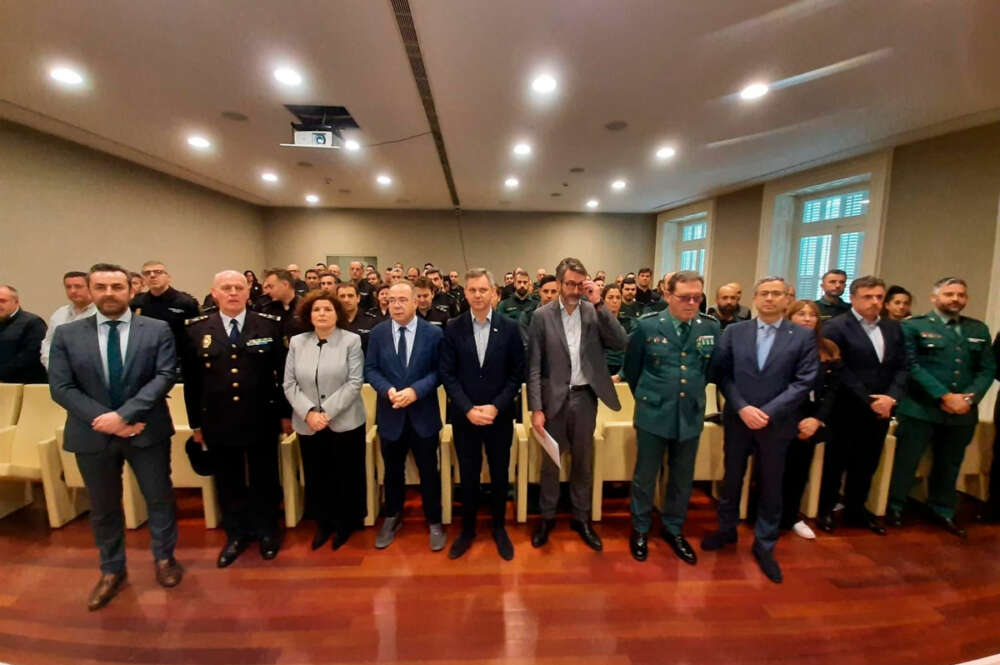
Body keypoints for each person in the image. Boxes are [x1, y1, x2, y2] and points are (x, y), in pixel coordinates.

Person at [48, 263, 180, 610]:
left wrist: (125, 415)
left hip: (145, 430)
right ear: (90, 291)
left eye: (117, 286)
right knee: (104, 508)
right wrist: (105, 420)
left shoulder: (157, 329)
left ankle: (165, 559)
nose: (109, 293)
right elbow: (61, 387)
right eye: (102, 287)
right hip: (92, 434)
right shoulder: (67, 334)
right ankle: (111, 570)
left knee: (159, 498)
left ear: (130, 290)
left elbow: (165, 375)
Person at [702, 276, 818, 583]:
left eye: (776, 294)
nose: (770, 298)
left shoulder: (802, 337)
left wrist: (767, 411)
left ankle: (765, 544)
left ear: (786, 300)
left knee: (771, 483)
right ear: (754, 298)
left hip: (777, 423)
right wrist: (742, 407)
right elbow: (721, 373)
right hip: (739, 418)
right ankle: (726, 530)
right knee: (731, 479)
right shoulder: (735, 332)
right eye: (764, 293)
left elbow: (804, 381)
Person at [181, 271, 287, 567]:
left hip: (261, 416)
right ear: (214, 293)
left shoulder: (267, 325)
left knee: (265, 477)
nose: (232, 292)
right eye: (226, 288)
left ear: (248, 291)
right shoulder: (195, 329)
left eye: (239, 287)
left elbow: (282, 376)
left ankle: (267, 532)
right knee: (228, 480)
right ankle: (236, 535)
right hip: (217, 419)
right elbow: (191, 382)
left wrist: (284, 415)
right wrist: (195, 425)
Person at [527, 258, 628, 551]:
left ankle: (580, 518)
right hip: (553, 399)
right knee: (551, 463)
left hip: (585, 397)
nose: (573, 290)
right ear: (558, 283)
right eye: (569, 283)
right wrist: (536, 408)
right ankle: (547, 517)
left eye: (579, 284)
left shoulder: (592, 312)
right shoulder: (541, 316)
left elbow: (620, 341)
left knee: (583, 462)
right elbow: (533, 366)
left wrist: (599, 304)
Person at [623, 271, 719, 563]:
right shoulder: (647, 325)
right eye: (684, 297)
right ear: (667, 295)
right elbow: (632, 370)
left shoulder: (710, 328)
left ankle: (673, 528)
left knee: (682, 476)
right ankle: (640, 528)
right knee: (645, 475)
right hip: (654, 411)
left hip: (689, 413)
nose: (691, 303)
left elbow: (711, 370)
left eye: (697, 297)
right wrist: (653, 393)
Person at [887, 277, 995, 537]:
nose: (955, 299)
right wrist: (944, 396)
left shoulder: (977, 329)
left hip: (962, 413)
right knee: (906, 462)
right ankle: (895, 507)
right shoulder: (914, 326)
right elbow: (911, 366)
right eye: (949, 294)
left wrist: (968, 399)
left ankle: (942, 509)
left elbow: (987, 368)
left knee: (950, 464)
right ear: (934, 298)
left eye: (960, 295)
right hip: (920, 409)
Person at [439, 269, 525, 560]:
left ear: (494, 293)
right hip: (465, 417)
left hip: (498, 415)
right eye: (472, 290)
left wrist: (496, 406)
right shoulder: (452, 327)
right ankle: (468, 530)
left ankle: (499, 528)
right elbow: (447, 374)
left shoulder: (511, 328)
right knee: (469, 474)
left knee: (500, 474)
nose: (477, 295)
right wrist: (468, 408)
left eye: (483, 290)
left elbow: (517, 374)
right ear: (465, 293)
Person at [816, 276, 907, 535]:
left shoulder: (892, 328)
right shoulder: (836, 327)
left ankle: (857, 509)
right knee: (837, 460)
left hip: (883, 408)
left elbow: (902, 366)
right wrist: (869, 400)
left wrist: (891, 397)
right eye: (868, 297)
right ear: (854, 298)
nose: (875, 302)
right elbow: (839, 368)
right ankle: (826, 509)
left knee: (867, 462)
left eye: (879, 297)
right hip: (846, 407)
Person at [364, 281, 446, 551]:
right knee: (392, 471)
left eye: (402, 300)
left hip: (423, 413)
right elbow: (371, 369)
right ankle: (392, 516)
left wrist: (415, 390)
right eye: (391, 300)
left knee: (428, 471)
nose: (396, 305)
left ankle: (434, 519)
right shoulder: (377, 333)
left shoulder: (433, 333)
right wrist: (387, 390)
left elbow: (439, 372)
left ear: (415, 302)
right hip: (391, 413)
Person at [283, 291, 366, 551]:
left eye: (328, 309)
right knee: (317, 474)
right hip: (308, 422)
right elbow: (289, 383)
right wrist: (309, 413)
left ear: (337, 314)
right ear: (309, 315)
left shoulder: (351, 341)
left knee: (346, 474)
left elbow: (354, 383)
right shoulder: (297, 342)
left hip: (344, 421)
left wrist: (327, 413)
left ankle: (345, 523)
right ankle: (323, 523)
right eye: (317, 310)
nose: (322, 314)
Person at [780, 300, 841, 540]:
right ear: (790, 317)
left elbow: (833, 391)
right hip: (783, 416)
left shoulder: (828, 349)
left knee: (799, 469)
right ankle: (770, 514)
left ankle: (792, 516)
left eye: (812, 315)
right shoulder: (778, 346)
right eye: (801, 314)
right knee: (775, 469)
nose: (807, 318)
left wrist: (816, 419)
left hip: (813, 419)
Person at [129, 261, 200, 378]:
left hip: (179, 358)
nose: (152, 275)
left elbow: (195, 334)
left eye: (158, 272)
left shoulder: (186, 302)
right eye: (147, 273)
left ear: (168, 277)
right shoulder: (137, 302)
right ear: (144, 280)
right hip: (146, 359)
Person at [41, 271, 96, 370]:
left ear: (91, 287)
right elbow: (48, 343)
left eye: (78, 286)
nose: (73, 291)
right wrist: (51, 365)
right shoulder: (59, 313)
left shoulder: (100, 313)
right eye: (68, 287)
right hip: (59, 373)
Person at [0, 285, 48, 384]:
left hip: (25, 385)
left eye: (3, 301)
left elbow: (30, 357)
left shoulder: (33, 323)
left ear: (16, 302)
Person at [261, 268, 306, 340]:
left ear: (285, 284)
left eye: (271, 287)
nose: (268, 291)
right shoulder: (267, 309)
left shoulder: (305, 307)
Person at [336, 282, 379, 353]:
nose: (346, 300)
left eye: (350, 296)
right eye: (342, 296)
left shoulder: (372, 321)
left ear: (358, 298)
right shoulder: (333, 322)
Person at [518, 274, 558, 347]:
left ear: (559, 293)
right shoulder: (527, 315)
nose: (549, 295)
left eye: (553, 292)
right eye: (545, 291)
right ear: (539, 292)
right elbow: (527, 346)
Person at [600, 284, 632, 376]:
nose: (615, 301)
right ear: (603, 300)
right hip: (602, 368)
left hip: (624, 367)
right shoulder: (596, 321)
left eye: (618, 298)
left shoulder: (629, 322)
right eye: (610, 297)